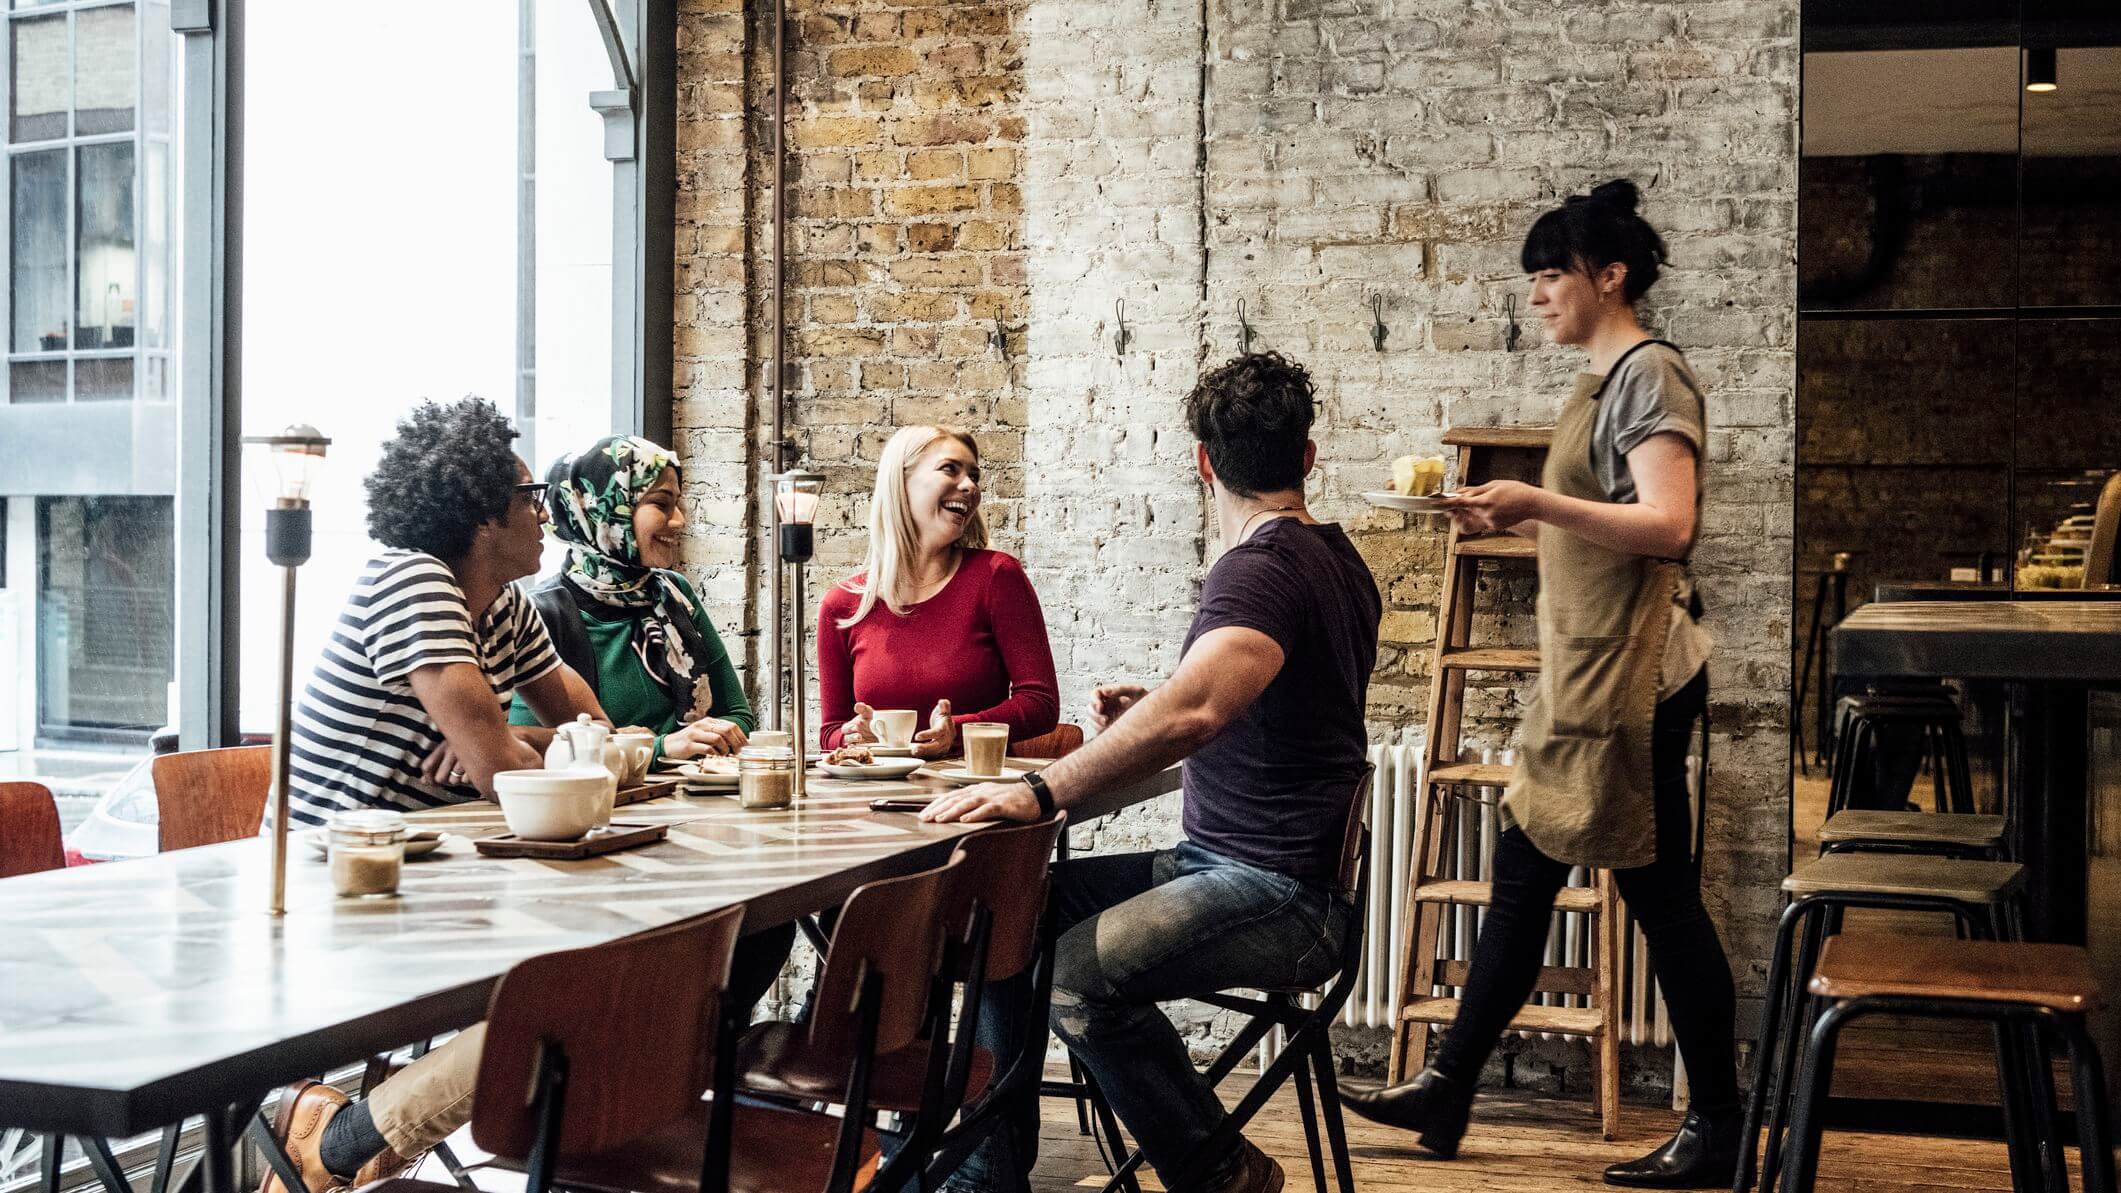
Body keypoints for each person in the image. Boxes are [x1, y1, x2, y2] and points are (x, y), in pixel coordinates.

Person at [1336, 180, 1737, 1189]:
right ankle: (1450, 1082)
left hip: (1631, 682)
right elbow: (1597, 525)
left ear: (1610, 276)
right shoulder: (1602, 382)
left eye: (1553, 274)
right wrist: (1504, 518)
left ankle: (1721, 1123)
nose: (1538, 295)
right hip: (1586, 679)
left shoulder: (1651, 378)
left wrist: (1534, 499)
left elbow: (1668, 525)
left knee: (1664, 902)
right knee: (1522, 878)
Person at [921, 352, 1382, 1193]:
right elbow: (1245, 701)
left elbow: (1200, 710)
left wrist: (1038, 788)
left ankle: (1218, 1171)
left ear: (1203, 461)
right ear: (1307, 457)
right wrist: (1156, 702)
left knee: (1075, 975)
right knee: (1005, 912)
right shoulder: (1334, 558)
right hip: (1245, 871)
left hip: (1277, 893)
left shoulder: (1261, 567)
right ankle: (989, 1166)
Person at [510, 434, 793, 1026]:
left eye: (678, 502)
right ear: (603, 508)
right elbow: (535, 757)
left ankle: (684, 1066)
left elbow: (740, 714)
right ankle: (660, 1067)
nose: (679, 519)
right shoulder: (544, 615)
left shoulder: (677, 597)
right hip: (607, 859)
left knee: (770, 921)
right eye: (661, 503)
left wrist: (707, 740)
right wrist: (667, 747)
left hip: (704, 835)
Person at [285, 398, 605, 829]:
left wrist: (519, 737)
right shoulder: (413, 581)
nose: (545, 516)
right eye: (531, 499)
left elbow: (603, 739)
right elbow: (504, 775)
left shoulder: (508, 607)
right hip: (333, 862)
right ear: (482, 517)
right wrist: (507, 748)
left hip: (434, 853)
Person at [818, 425, 1059, 757]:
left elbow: (1041, 704)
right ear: (901, 484)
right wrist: (853, 737)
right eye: (951, 469)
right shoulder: (842, 605)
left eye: (974, 476)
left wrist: (957, 731)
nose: (969, 486)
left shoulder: (997, 577)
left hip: (974, 794)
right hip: (872, 796)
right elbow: (831, 731)